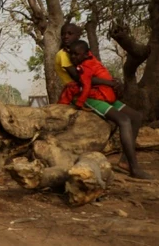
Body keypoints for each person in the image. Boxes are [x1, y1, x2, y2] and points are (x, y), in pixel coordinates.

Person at [62, 40, 151, 179]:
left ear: (86, 53)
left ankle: (125, 160)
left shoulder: (89, 58)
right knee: (124, 120)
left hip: (105, 94)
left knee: (136, 117)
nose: (73, 57)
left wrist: (113, 83)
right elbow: (86, 82)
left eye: (76, 54)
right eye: (71, 54)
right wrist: (80, 104)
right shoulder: (70, 61)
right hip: (92, 97)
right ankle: (135, 168)